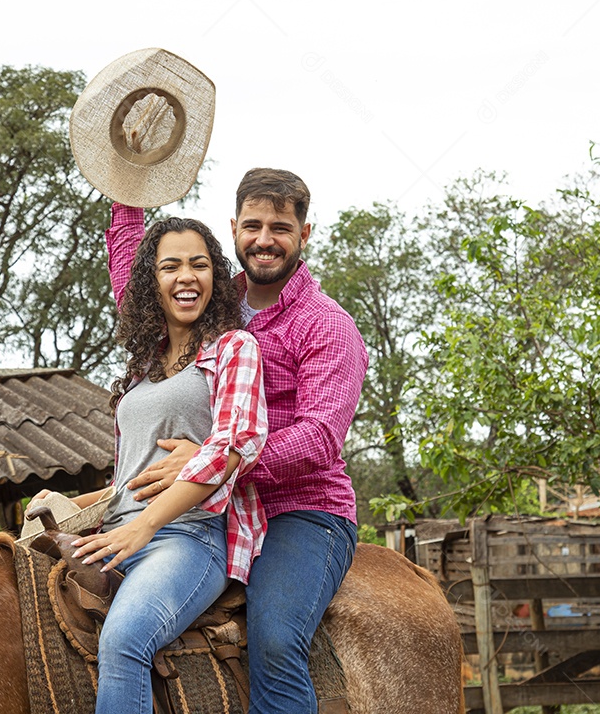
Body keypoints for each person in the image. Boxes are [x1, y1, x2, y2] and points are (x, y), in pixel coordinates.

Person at [106, 168, 368, 713]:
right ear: (233, 229)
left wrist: (212, 462)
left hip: (299, 509)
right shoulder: (215, 299)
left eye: (280, 228)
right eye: (253, 226)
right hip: (208, 503)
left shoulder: (327, 325)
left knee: (274, 639)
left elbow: (319, 438)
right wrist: (127, 185)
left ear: (304, 233)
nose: (264, 240)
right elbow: (142, 281)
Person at [28, 217, 267, 714]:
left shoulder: (234, 348)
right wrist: (72, 503)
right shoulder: (143, 370)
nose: (186, 276)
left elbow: (233, 448)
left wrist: (145, 526)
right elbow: (131, 479)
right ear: (151, 282)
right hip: (117, 533)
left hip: (188, 537)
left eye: (199, 265)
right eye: (170, 266)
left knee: (124, 642)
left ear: (216, 277)